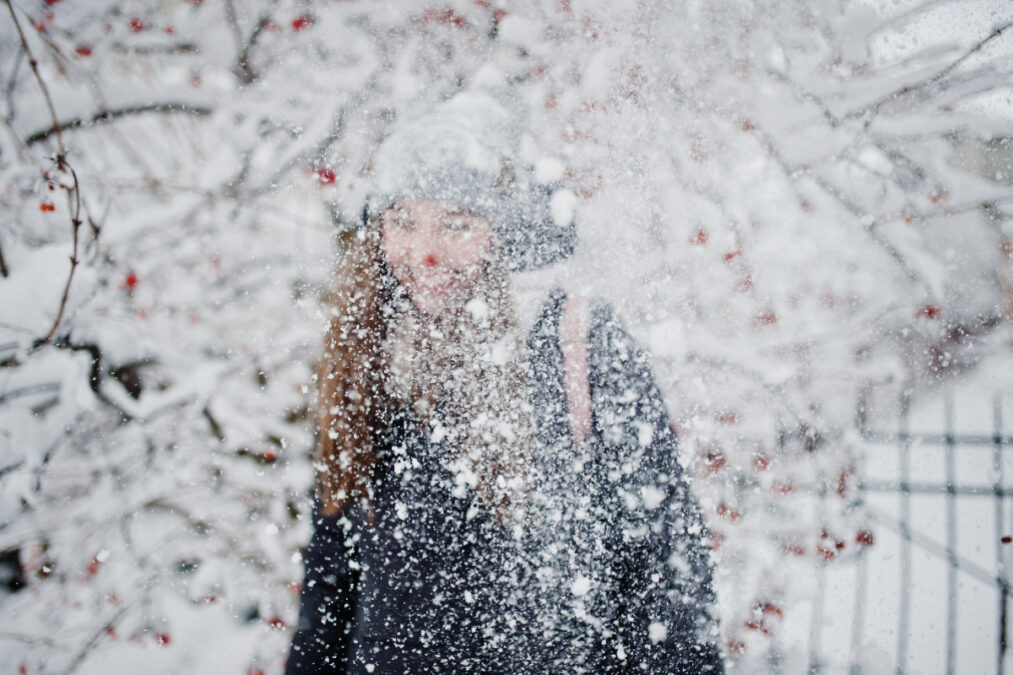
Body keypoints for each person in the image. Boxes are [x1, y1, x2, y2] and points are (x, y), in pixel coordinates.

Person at [285, 92, 723, 674]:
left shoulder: (578, 345)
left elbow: (666, 573)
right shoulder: (373, 350)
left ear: (512, 230)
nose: (424, 253)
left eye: (457, 224)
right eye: (402, 220)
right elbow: (332, 581)